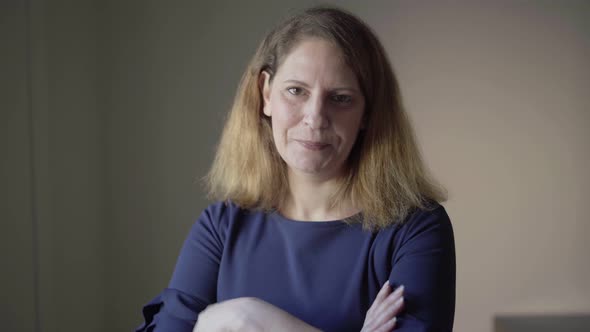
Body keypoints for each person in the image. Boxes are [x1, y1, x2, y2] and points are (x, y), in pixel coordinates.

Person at [136, 6, 455, 332]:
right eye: (296, 91)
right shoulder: (221, 228)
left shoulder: (415, 229)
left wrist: (251, 319)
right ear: (266, 93)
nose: (315, 117)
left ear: (368, 113)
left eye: (341, 98)